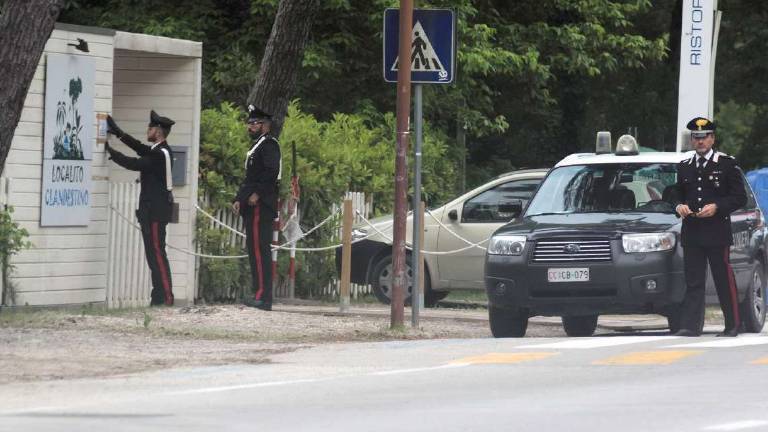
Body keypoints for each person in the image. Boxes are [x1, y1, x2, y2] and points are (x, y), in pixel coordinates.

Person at [674, 116, 747, 337]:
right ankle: (691, 325)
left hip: (716, 230)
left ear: (712, 138)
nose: (700, 142)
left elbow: (739, 197)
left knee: (722, 278)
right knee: (693, 280)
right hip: (693, 230)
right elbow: (677, 193)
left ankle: (733, 324)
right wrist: (679, 206)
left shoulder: (726, 164)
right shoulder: (685, 165)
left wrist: (717, 206)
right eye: (696, 138)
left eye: (704, 137)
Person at [105, 110, 176, 306]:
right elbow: (139, 148)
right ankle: (159, 295)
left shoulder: (160, 154)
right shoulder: (157, 150)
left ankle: (167, 297)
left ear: (159, 132)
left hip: (155, 210)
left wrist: (112, 153)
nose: (148, 130)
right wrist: (118, 132)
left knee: (157, 253)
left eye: (151, 128)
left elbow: (135, 163)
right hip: (151, 210)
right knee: (153, 256)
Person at [232, 104, 281, 311]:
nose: (249, 127)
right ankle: (258, 292)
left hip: (261, 204)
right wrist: (239, 198)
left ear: (264, 125)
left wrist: (256, 194)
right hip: (252, 204)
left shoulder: (269, 145)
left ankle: (263, 297)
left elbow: (270, 172)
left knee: (261, 250)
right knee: (254, 250)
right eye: (249, 123)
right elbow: (249, 178)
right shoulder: (258, 145)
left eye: (253, 123)